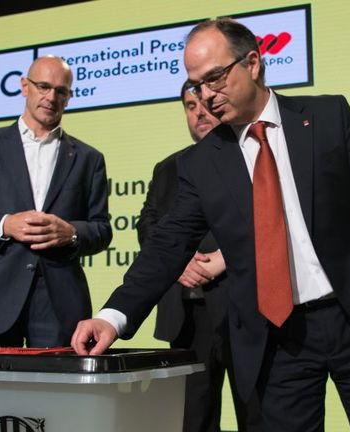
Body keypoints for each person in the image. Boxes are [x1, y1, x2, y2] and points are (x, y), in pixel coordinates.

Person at [73, 19, 350, 431]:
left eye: (214, 78)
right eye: (196, 85)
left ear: (253, 63)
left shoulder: (328, 116)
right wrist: (113, 316)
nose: (206, 95)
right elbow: (167, 246)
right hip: (277, 337)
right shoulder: (202, 163)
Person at [0, 55, 112, 351]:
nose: (51, 97)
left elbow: (102, 230)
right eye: (43, 86)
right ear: (24, 86)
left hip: (59, 305)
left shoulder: (89, 158)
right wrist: (5, 224)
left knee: (54, 398)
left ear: (69, 97)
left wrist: (69, 233)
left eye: (61, 91)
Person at [137, 84, 260, 432]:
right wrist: (178, 261)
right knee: (192, 420)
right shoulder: (168, 168)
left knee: (256, 416)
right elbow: (148, 224)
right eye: (190, 106)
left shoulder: (252, 154)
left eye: (205, 104)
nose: (199, 113)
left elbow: (265, 222)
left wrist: (226, 257)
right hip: (187, 317)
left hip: (243, 308)